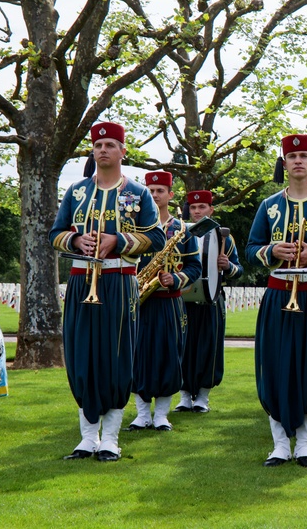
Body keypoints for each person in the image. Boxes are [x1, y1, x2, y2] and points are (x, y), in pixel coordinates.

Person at [51, 122, 166, 462]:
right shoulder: (75, 191)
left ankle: (111, 438)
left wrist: (119, 241)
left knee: (117, 358)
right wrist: (75, 240)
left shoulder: (139, 193)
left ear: (122, 152)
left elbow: (156, 238)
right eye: (98, 145)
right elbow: (55, 233)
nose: (103, 150)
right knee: (80, 355)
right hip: (81, 280)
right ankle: (87, 437)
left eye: (111, 145)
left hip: (119, 281)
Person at [246, 133, 307, 469]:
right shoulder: (268, 206)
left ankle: (306, 446)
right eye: (292, 156)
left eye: (304, 156)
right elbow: (251, 247)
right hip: (278, 292)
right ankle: (280, 445)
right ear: (284, 164)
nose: (298, 161)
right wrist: (272, 250)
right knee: (276, 366)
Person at [127, 171, 201, 431]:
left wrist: (176, 278)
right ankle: (141, 414)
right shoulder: (133, 226)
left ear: (171, 195)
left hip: (170, 300)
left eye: (160, 190)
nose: (155, 195)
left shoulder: (182, 229)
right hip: (138, 300)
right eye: (151, 190)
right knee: (137, 355)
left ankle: (161, 415)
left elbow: (195, 267)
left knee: (169, 355)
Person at [175, 189, 243, 413]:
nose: (196, 211)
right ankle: (184, 396)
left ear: (211, 209)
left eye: (202, 207)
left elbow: (238, 270)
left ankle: (203, 397)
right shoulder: (180, 233)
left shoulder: (224, 237)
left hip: (212, 299)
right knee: (183, 348)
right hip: (184, 297)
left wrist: (227, 266)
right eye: (193, 207)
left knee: (209, 348)